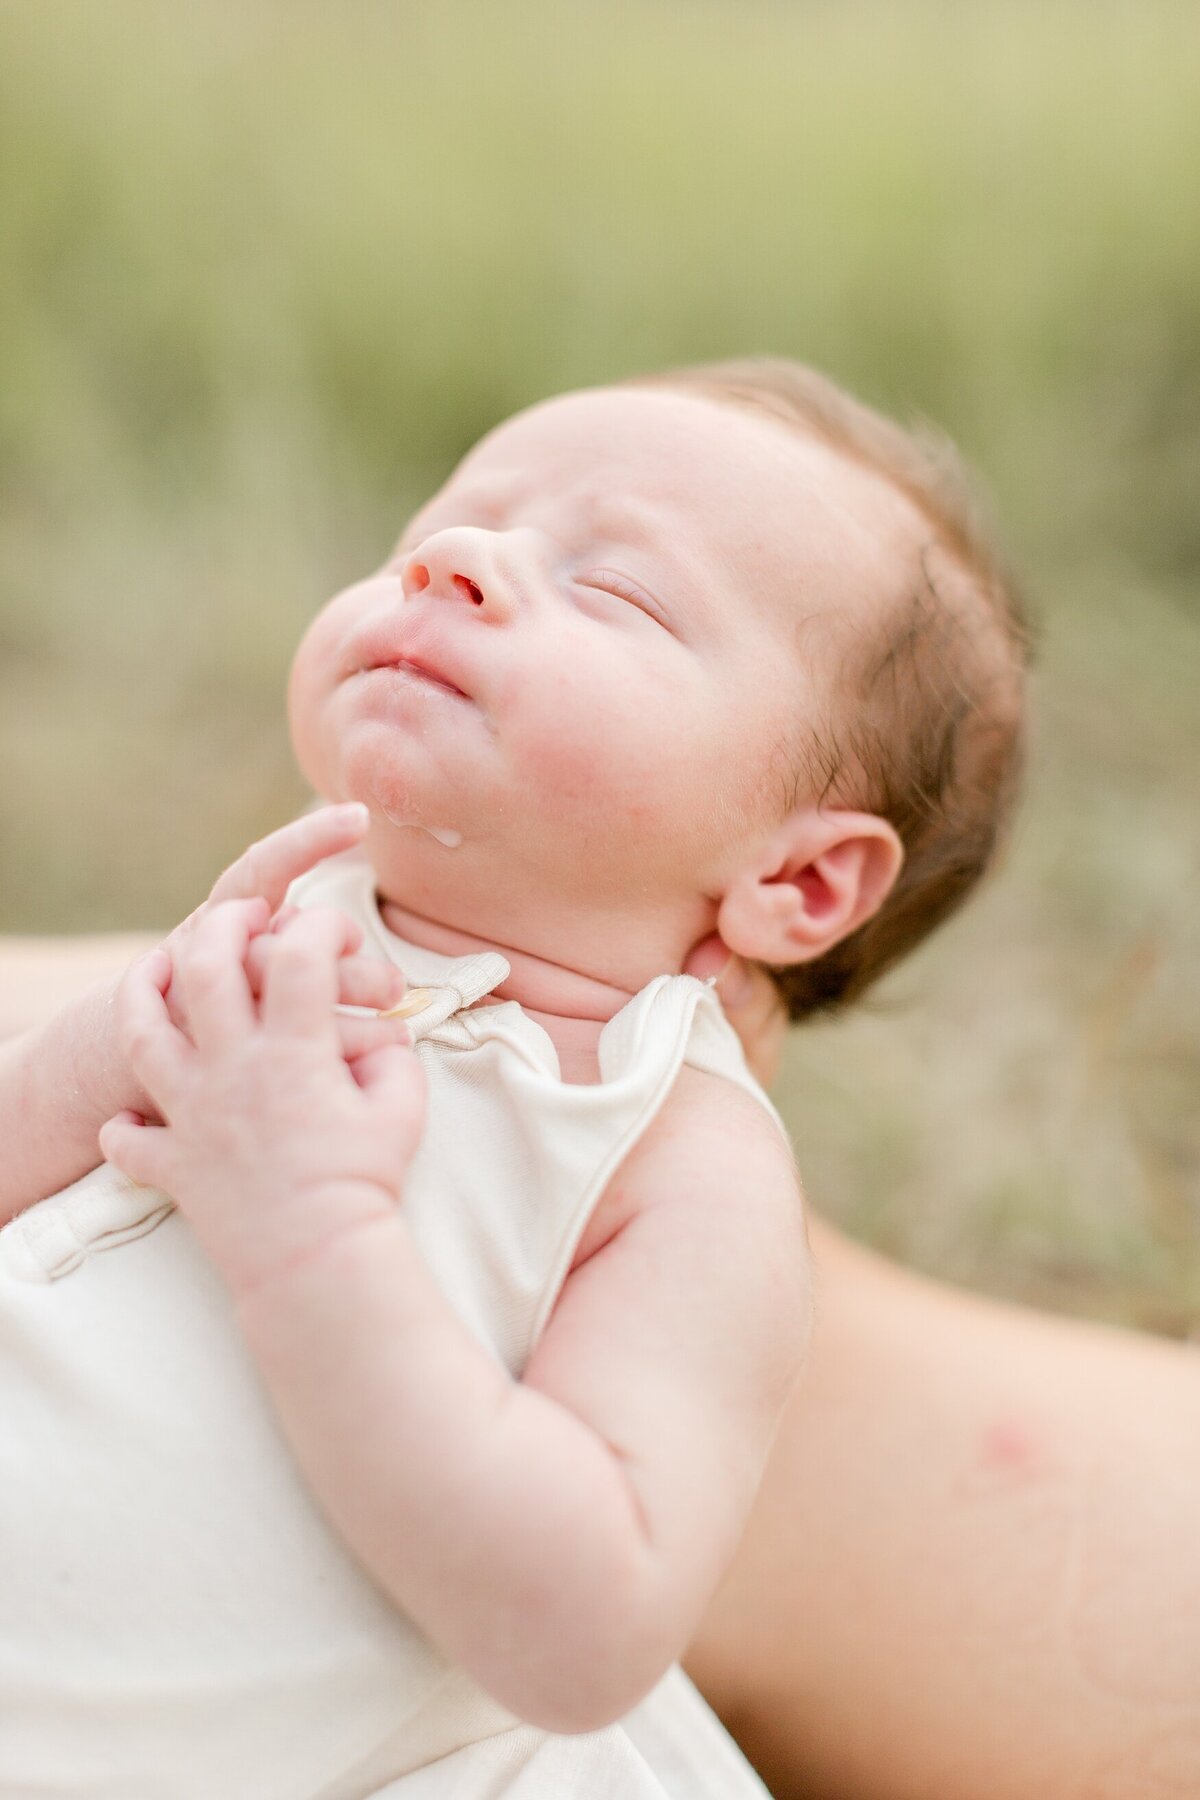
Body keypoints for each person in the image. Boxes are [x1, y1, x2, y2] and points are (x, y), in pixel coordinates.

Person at [0, 360, 1028, 1796]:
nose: (454, 561)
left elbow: (584, 1634)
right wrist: (104, 1046)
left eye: (616, 591)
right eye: (441, 527)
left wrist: (313, 1234)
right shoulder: (268, 941)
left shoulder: (676, 1171)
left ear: (799, 876)